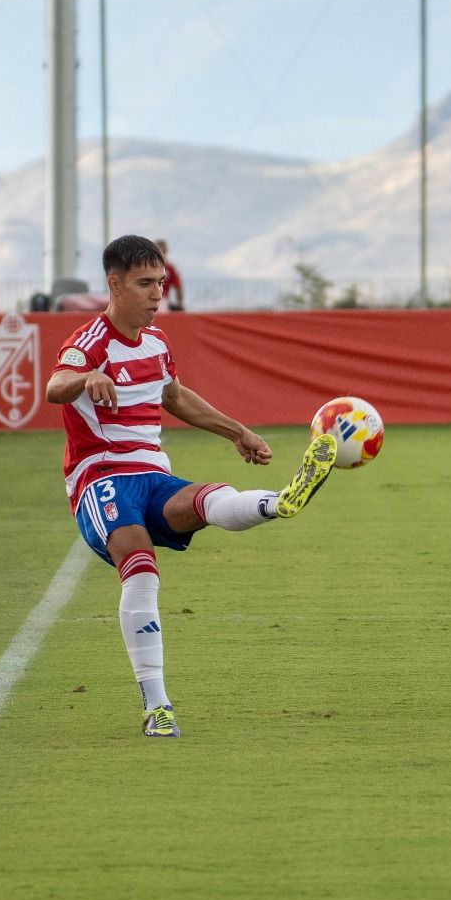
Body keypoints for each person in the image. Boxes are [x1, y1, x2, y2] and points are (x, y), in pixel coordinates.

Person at [46, 234, 335, 737]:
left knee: (206, 499)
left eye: (159, 282)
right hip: (102, 480)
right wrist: (85, 379)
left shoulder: (157, 343)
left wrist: (237, 432)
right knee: (141, 569)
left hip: (153, 476)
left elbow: (175, 397)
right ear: (114, 284)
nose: (157, 294)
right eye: (144, 284)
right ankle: (157, 707)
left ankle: (279, 502)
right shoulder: (89, 342)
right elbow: (55, 386)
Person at [156, 238, 186, 311]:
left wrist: (180, 303)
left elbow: (178, 287)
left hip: (162, 300)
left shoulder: (170, 268)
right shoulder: (149, 267)